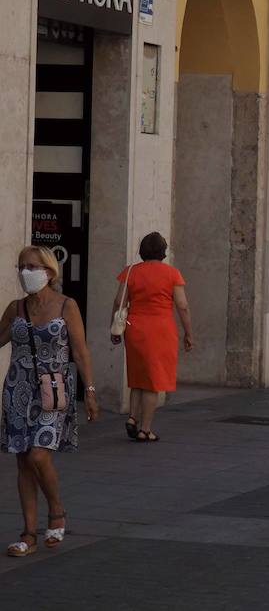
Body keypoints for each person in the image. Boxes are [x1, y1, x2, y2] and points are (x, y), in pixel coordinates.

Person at [4, 246, 99, 557]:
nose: (25, 272)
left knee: (38, 455)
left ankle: (56, 510)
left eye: (32, 266)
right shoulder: (15, 308)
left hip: (53, 391)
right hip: (17, 390)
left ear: (48, 270)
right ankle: (29, 533)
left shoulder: (66, 306)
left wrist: (90, 390)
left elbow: (81, 350)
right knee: (22, 459)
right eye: (21, 267)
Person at [110, 232, 192, 442]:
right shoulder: (172, 274)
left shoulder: (130, 272)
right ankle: (145, 429)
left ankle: (132, 418)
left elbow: (119, 301)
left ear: (142, 250)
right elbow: (182, 306)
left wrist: (115, 328)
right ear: (163, 251)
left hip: (134, 328)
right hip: (161, 329)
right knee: (154, 381)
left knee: (138, 377)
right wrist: (188, 333)